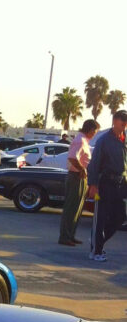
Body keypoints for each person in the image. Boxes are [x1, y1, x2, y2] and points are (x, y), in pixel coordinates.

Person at [88, 109, 127, 261]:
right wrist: (93, 184)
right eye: (121, 121)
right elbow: (94, 164)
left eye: (125, 122)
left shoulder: (124, 140)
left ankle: (98, 243)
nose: (124, 124)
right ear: (114, 121)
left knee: (120, 217)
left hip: (120, 184)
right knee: (101, 218)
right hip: (104, 183)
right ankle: (96, 252)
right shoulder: (104, 140)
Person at [58, 119, 100, 246]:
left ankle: (71, 235)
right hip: (76, 176)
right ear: (91, 129)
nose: (95, 134)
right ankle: (65, 237)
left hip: (81, 177)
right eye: (95, 131)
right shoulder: (79, 140)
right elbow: (72, 157)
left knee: (78, 208)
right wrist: (82, 169)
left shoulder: (84, 141)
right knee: (71, 208)